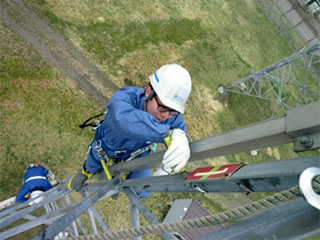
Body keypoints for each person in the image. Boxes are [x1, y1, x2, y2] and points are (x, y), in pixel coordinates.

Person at [68, 64, 192, 198]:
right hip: (108, 145)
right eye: (163, 107)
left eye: (173, 111)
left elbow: (180, 135)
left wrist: (174, 156)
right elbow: (124, 120)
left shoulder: (171, 116)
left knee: (144, 191)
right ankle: (87, 171)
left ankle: (125, 175)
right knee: (94, 160)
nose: (165, 115)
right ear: (149, 92)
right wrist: (167, 133)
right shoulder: (125, 97)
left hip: (137, 153)